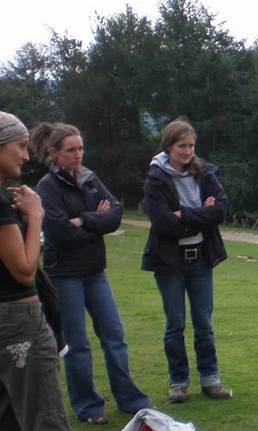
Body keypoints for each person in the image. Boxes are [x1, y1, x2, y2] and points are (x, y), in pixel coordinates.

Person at [31, 122, 150, 424]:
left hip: (95, 271)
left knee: (114, 335)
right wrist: (95, 221)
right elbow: (59, 233)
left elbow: (115, 214)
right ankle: (88, 407)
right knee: (78, 343)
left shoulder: (89, 178)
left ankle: (130, 400)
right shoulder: (47, 187)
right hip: (64, 275)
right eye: (71, 150)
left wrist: (83, 219)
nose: (78, 155)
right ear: (55, 153)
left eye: (81, 148)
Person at [141, 117, 232, 403]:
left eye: (191, 145)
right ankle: (178, 382)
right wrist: (200, 216)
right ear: (168, 146)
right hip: (170, 262)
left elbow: (221, 210)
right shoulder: (156, 179)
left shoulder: (204, 173)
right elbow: (163, 223)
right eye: (182, 146)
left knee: (203, 322)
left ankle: (210, 380)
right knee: (175, 323)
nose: (188, 151)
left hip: (201, 260)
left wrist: (185, 214)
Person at [0, 111, 70, 430]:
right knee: (45, 417)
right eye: (21, 146)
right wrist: (35, 214)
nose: (26, 156)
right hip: (18, 323)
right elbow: (25, 271)